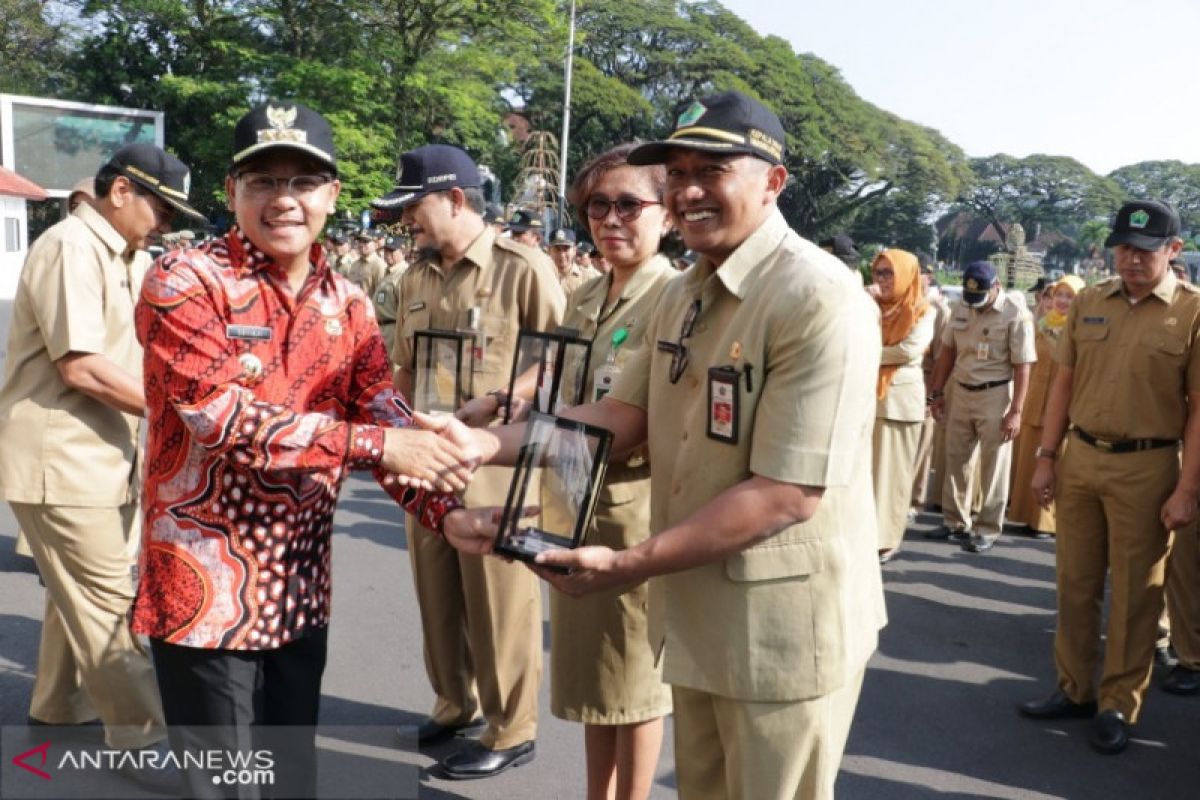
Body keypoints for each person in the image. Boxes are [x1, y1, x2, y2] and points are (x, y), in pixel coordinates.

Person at [443, 89, 884, 800]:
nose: (688, 191)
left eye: (711, 170)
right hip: (695, 610)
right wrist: (475, 445)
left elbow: (787, 493)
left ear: (774, 182)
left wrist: (628, 562)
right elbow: (622, 416)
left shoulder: (818, 298)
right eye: (677, 173)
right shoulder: (685, 292)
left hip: (780, 632)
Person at [131, 102, 490, 799]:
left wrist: (443, 511)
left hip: (298, 589)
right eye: (262, 180)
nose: (284, 199)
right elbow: (224, 421)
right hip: (207, 598)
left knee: (291, 779)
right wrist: (385, 443)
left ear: (332, 195)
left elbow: (379, 406)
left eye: (304, 181)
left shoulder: (348, 301)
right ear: (231, 192)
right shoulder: (185, 281)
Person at [463, 142, 676, 799]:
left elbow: (621, 415)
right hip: (572, 497)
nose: (609, 219)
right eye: (595, 207)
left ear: (668, 214)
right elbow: (554, 369)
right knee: (591, 680)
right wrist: (505, 398)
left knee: (635, 685)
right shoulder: (588, 294)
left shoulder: (670, 299)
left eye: (629, 205)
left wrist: (490, 442)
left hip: (632, 512)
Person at [0, 143, 203, 789]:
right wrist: (186, 419)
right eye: (162, 209)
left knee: (78, 595)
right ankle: (142, 741)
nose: (166, 224)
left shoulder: (127, 254)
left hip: (102, 455)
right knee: (110, 605)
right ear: (121, 192)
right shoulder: (70, 248)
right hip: (63, 458)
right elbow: (82, 366)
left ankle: (59, 702)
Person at [380, 143, 564, 779]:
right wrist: (396, 446)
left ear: (456, 200)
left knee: (498, 602)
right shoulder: (415, 276)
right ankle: (455, 703)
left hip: (495, 465)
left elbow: (560, 363)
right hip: (426, 460)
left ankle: (512, 727)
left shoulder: (524, 269)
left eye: (415, 208)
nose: (407, 222)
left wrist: (503, 401)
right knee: (437, 597)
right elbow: (402, 367)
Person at [1022, 200, 1200, 755]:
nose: (1131, 259)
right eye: (1123, 247)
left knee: (1134, 596)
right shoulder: (1092, 301)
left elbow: (1199, 409)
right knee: (1074, 584)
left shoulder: (1193, 312)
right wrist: (1046, 456)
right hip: (1080, 458)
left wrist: (1187, 488)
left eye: (1145, 251)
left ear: (1173, 251)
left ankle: (1117, 703)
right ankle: (1074, 687)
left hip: (1148, 466)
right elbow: (1062, 385)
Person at [926, 260, 1036, 553]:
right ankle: (954, 522)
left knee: (994, 465)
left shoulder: (1014, 313)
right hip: (961, 391)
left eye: (981, 296)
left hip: (996, 394)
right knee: (956, 459)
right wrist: (935, 393)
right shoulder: (963, 306)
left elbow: (1023, 366)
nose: (975, 303)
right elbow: (947, 353)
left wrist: (1016, 412)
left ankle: (987, 527)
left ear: (996, 286)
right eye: (971, 296)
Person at [868, 249, 933, 563]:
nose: (881, 280)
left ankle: (888, 538)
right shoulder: (869, 305)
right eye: (878, 272)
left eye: (888, 273)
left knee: (893, 474)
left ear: (907, 274)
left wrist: (867, 352)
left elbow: (908, 350)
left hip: (899, 401)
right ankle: (865, 534)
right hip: (867, 398)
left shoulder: (922, 310)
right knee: (867, 473)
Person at [1007, 275, 1083, 538]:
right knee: (1029, 459)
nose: (1061, 301)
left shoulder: (1080, 332)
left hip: (1062, 408)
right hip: (1034, 400)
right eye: (1056, 295)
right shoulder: (1041, 324)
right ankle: (1025, 514)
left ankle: (1046, 521)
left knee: (1054, 462)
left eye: (1068, 296)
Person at [909, 254, 950, 517]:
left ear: (930, 276)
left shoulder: (938, 311)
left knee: (922, 444)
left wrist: (934, 393)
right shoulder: (902, 302)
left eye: (921, 272)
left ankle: (914, 499)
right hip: (896, 382)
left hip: (925, 379)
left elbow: (941, 358)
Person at [371, 234, 409, 364]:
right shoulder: (388, 272)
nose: (388, 254)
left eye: (392, 251)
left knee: (392, 374)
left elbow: (405, 310)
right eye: (386, 250)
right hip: (381, 329)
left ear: (402, 252)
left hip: (393, 329)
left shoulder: (404, 274)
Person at [547, 227, 598, 295]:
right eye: (557, 249)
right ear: (549, 251)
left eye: (566, 249)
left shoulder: (588, 279)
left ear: (574, 250)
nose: (562, 255)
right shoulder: (541, 276)